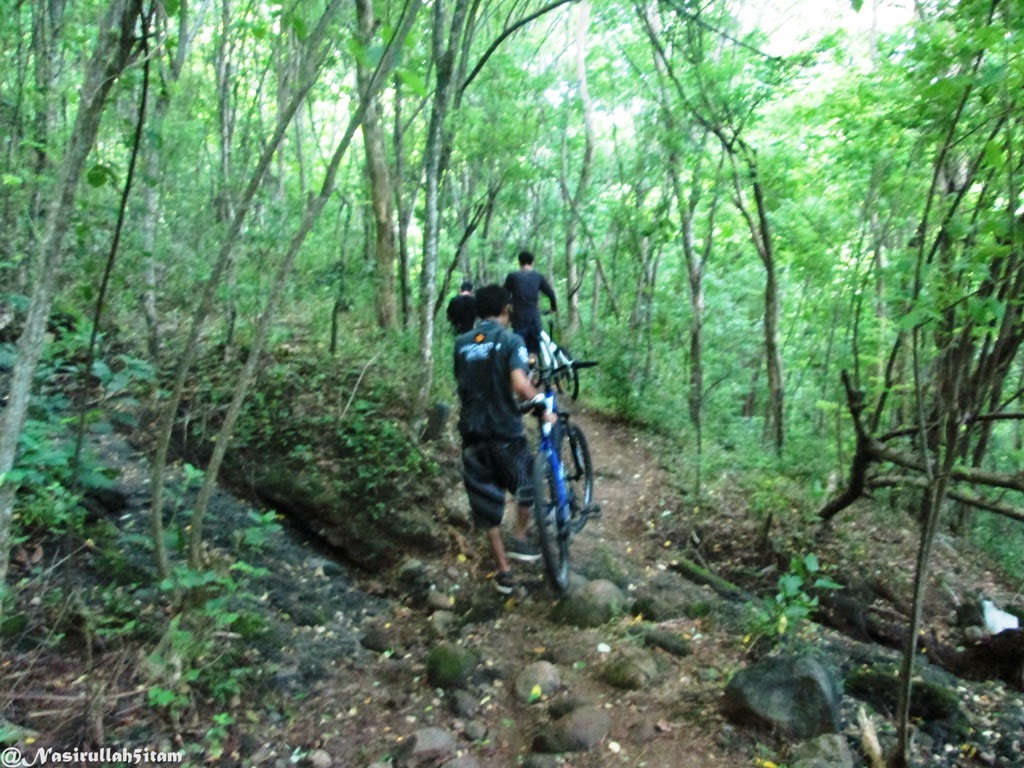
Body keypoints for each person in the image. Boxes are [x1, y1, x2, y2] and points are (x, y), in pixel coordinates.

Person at [453, 284, 555, 594]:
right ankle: (521, 537)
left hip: (472, 435)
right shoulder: (511, 341)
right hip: (505, 433)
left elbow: (467, 382)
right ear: (506, 311)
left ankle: (504, 572)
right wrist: (541, 404)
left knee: (486, 505)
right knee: (530, 482)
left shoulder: (461, 343)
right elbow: (520, 386)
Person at [503, 250, 558, 357]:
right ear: (533, 262)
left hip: (518, 318)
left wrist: (509, 306)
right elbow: (551, 294)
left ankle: (520, 369)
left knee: (519, 347)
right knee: (533, 350)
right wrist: (553, 308)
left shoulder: (512, 276)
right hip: (534, 317)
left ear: (519, 262)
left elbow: (503, 295)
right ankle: (534, 369)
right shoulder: (538, 277)